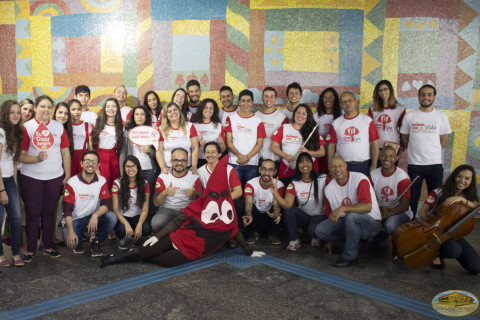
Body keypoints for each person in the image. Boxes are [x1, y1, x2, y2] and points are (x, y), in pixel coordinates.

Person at [100, 156, 265, 268]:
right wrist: (157, 236)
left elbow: (237, 234)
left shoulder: (229, 218)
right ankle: (113, 259)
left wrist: (250, 252)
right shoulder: (200, 203)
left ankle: (142, 256)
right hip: (179, 236)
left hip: (192, 250)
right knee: (147, 248)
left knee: (166, 261)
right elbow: (178, 221)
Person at [19, 95, 71, 261]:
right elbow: (20, 156)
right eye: (42, 106)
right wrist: (36, 159)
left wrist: (67, 174)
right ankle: (31, 249)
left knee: (49, 212)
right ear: (35, 108)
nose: (46, 110)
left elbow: (65, 152)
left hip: (54, 177)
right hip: (31, 177)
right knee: (33, 213)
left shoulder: (58, 127)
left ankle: (48, 246)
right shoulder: (27, 127)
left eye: (49, 107)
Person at [314, 155, 381, 267]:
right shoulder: (329, 188)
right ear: (329, 169)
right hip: (346, 222)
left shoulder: (360, 179)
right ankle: (355, 245)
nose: (337, 169)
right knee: (320, 230)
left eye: (340, 166)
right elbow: (331, 216)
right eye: (333, 167)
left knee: (352, 216)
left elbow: (367, 207)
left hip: (370, 223)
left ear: (346, 166)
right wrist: (330, 240)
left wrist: (343, 208)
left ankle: (349, 256)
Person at [417, 164, 479, 274]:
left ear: (471, 181)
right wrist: (434, 228)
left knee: (476, 267)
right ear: (454, 176)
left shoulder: (468, 195)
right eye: (459, 176)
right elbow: (422, 213)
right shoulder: (438, 192)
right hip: (436, 232)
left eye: (467, 178)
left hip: (453, 233)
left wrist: (461, 199)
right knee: (454, 250)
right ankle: (436, 254)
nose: (462, 180)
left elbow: (478, 210)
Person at [400, 84, 452, 215]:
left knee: (434, 198)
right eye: (422, 94)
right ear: (418, 97)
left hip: (434, 164)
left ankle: (432, 225)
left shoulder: (441, 117)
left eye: (429, 94)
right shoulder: (410, 116)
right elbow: (404, 138)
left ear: (434, 97)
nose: (425, 97)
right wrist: (413, 151)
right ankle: (411, 225)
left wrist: (433, 151)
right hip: (415, 165)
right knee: (413, 198)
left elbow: (444, 139)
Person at [62, 150, 117, 257]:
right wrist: (71, 231)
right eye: (87, 161)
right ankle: (79, 241)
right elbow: (67, 210)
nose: (90, 164)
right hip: (76, 221)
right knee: (70, 243)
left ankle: (96, 242)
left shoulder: (102, 181)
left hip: (93, 219)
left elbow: (106, 204)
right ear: (81, 163)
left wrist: (95, 215)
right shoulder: (72, 182)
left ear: (98, 165)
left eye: (94, 161)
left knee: (111, 217)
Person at [271, 152, 327, 251]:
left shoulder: (322, 178)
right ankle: (294, 240)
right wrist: (275, 194)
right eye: (301, 162)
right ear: (297, 166)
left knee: (312, 229)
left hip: (319, 217)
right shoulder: (294, 183)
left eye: (308, 161)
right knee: (289, 211)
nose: (305, 165)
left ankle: (314, 235)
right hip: (304, 217)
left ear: (312, 164)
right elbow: (287, 205)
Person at [369, 146, 413, 249]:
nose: (387, 158)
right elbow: (370, 199)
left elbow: (404, 206)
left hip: (399, 212)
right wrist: (379, 209)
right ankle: (379, 235)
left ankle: (398, 244)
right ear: (379, 156)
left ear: (396, 158)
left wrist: (385, 215)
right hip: (380, 210)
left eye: (391, 156)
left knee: (390, 225)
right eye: (384, 155)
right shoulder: (373, 175)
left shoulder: (402, 177)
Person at [271, 104, 325, 186]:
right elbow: (273, 147)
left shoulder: (313, 132)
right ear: (294, 114)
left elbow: (322, 152)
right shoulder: (285, 128)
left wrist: (308, 152)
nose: (300, 115)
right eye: (298, 112)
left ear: (308, 116)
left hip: (308, 170)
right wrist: (285, 156)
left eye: (304, 114)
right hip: (287, 169)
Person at [327, 91, 379, 176]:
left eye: (349, 100)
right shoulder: (336, 123)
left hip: (363, 165)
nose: (347, 104)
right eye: (344, 102)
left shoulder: (367, 120)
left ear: (356, 101)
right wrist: (330, 167)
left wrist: (373, 165)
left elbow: (375, 144)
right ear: (340, 105)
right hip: (341, 166)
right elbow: (331, 147)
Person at [151, 148, 202, 232]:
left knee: (198, 225)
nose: (179, 163)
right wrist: (165, 192)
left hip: (187, 210)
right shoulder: (163, 177)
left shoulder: (194, 177)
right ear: (171, 161)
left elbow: (201, 202)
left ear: (188, 162)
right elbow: (156, 203)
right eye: (176, 160)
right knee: (156, 224)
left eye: (183, 160)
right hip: (167, 210)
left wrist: (195, 194)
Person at [225, 89, 266, 187]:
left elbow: (259, 144)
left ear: (252, 103)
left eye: (248, 101)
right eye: (243, 101)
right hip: (234, 162)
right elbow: (228, 142)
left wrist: (246, 157)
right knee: (235, 193)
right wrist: (240, 155)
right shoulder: (231, 118)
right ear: (239, 102)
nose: (245, 103)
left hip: (252, 164)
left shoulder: (258, 121)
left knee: (249, 194)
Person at [0, 100, 24, 267]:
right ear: (4, 114)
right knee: (0, 219)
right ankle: (0, 255)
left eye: (18, 112)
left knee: (16, 218)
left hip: (9, 180)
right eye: (12, 112)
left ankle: (15, 253)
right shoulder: (1, 132)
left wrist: (13, 183)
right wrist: (2, 190)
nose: (16, 115)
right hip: (0, 181)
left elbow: (13, 162)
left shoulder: (15, 132)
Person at [112, 155, 152, 250]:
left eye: (133, 166)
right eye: (127, 166)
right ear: (124, 168)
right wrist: (126, 224)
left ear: (138, 167)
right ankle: (121, 238)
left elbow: (145, 209)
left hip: (137, 216)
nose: (131, 169)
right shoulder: (117, 183)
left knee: (146, 229)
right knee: (121, 229)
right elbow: (115, 209)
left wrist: (139, 225)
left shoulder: (144, 184)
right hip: (123, 216)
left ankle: (136, 238)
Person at [119, 106, 157, 200]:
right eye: (137, 114)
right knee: (133, 198)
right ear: (133, 117)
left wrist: (149, 151)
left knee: (148, 197)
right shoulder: (127, 132)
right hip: (132, 170)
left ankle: (148, 214)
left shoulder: (151, 132)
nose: (139, 117)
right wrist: (122, 173)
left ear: (146, 116)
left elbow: (158, 153)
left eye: (142, 114)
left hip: (149, 169)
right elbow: (123, 154)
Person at [243, 159, 285, 245]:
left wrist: (275, 213)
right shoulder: (250, 183)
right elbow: (248, 202)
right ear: (259, 170)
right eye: (264, 169)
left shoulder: (279, 185)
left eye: (270, 170)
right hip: (255, 217)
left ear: (275, 172)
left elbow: (277, 204)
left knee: (282, 209)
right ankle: (254, 233)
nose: (266, 173)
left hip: (269, 216)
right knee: (249, 207)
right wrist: (249, 215)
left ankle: (272, 233)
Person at [89, 97, 124, 189]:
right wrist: (94, 163)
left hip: (113, 159)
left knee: (112, 187)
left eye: (113, 106)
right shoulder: (97, 123)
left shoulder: (121, 126)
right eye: (108, 106)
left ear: (118, 109)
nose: (111, 109)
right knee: (98, 186)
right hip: (98, 158)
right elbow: (91, 143)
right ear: (104, 108)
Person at [156, 102, 199, 174]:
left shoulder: (190, 126)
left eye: (175, 110)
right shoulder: (161, 130)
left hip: (187, 167)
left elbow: (195, 148)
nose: (173, 112)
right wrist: (163, 167)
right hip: (168, 168)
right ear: (166, 115)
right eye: (169, 111)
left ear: (179, 111)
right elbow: (159, 151)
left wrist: (194, 166)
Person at [368, 80, 406, 162]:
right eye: (380, 90)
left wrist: (399, 153)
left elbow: (403, 131)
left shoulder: (400, 108)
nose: (383, 92)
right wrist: (375, 150)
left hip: (393, 146)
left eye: (385, 89)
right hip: (377, 146)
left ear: (390, 90)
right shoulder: (373, 109)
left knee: (391, 172)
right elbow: (369, 131)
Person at [255, 87, 287, 166]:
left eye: (272, 96)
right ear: (262, 98)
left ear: (276, 99)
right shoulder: (255, 116)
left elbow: (285, 140)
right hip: (259, 158)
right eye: (266, 96)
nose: (269, 99)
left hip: (276, 158)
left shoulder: (282, 116)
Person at [314, 87, 342, 174]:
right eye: (325, 97)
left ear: (335, 99)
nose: (327, 99)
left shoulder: (342, 114)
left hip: (338, 154)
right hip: (321, 154)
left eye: (330, 97)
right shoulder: (316, 115)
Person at [193, 99, 226, 168]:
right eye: (206, 108)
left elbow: (222, 150)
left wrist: (221, 143)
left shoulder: (219, 126)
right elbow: (191, 148)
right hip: (199, 160)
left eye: (211, 108)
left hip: (215, 161)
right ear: (201, 109)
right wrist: (199, 144)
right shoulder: (194, 126)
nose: (208, 110)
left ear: (214, 111)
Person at [68, 99, 90, 177]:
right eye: (73, 109)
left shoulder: (87, 125)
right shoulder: (66, 126)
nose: (76, 112)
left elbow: (90, 147)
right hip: (69, 157)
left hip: (83, 158)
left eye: (79, 109)